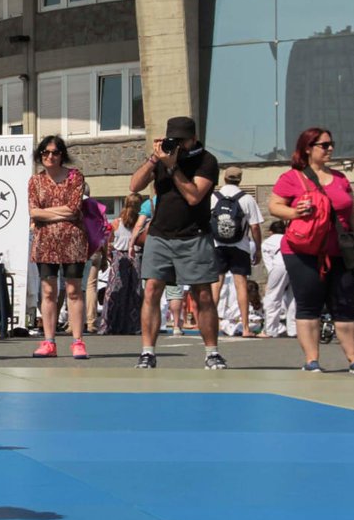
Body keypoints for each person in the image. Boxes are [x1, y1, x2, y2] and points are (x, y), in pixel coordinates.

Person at [266, 127, 354, 374]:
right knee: (308, 304)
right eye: (324, 145)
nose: (330, 148)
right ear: (308, 148)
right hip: (301, 250)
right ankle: (312, 360)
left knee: (344, 303)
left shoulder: (341, 178)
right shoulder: (293, 178)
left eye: (331, 144)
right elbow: (274, 206)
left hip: (339, 251)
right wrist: (294, 212)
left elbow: (350, 214)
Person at [129, 116, 225, 369]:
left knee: (203, 294)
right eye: (174, 140)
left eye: (182, 140)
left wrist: (173, 168)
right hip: (160, 235)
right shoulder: (162, 158)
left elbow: (194, 196)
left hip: (194, 235)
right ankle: (147, 352)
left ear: (193, 139)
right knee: (151, 290)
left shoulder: (207, 160)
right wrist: (154, 159)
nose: (178, 145)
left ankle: (212, 352)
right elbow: (134, 186)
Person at [26, 136, 89, 358]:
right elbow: (33, 211)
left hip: (73, 241)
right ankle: (49, 341)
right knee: (48, 291)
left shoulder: (75, 177)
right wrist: (61, 212)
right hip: (45, 242)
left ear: (62, 154)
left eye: (54, 152)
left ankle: (78, 341)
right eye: (45, 152)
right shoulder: (35, 181)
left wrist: (47, 213)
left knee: (73, 290)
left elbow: (74, 209)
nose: (49, 156)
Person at [209, 167, 263, 339]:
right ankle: (246, 327)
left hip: (217, 244)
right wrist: (258, 248)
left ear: (224, 178)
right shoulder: (247, 199)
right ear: (240, 180)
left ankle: (211, 325)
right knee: (241, 285)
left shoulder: (213, 197)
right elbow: (255, 226)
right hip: (240, 246)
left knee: (216, 284)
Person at [99, 193, 144, 335]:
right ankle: (132, 325)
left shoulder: (117, 222)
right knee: (134, 292)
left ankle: (110, 324)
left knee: (115, 292)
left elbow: (108, 240)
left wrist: (107, 254)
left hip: (119, 257)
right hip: (136, 256)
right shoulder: (141, 222)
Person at [260, 220, 295, 338]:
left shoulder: (267, 242)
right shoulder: (289, 238)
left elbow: (269, 264)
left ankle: (270, 329)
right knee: (293, 297)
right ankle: (293, 329)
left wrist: (271, 281)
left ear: (271, 232)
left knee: (273, 297)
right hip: (294, 263)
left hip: (279, 265)